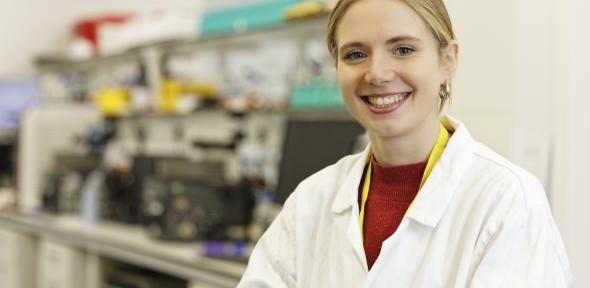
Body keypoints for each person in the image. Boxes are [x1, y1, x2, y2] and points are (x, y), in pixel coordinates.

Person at [238, 0, 573, 286]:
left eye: (403, 49)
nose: (377, 73)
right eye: (356, 54)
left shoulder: (506, 201)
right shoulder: (311, 201)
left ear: (448, 60)